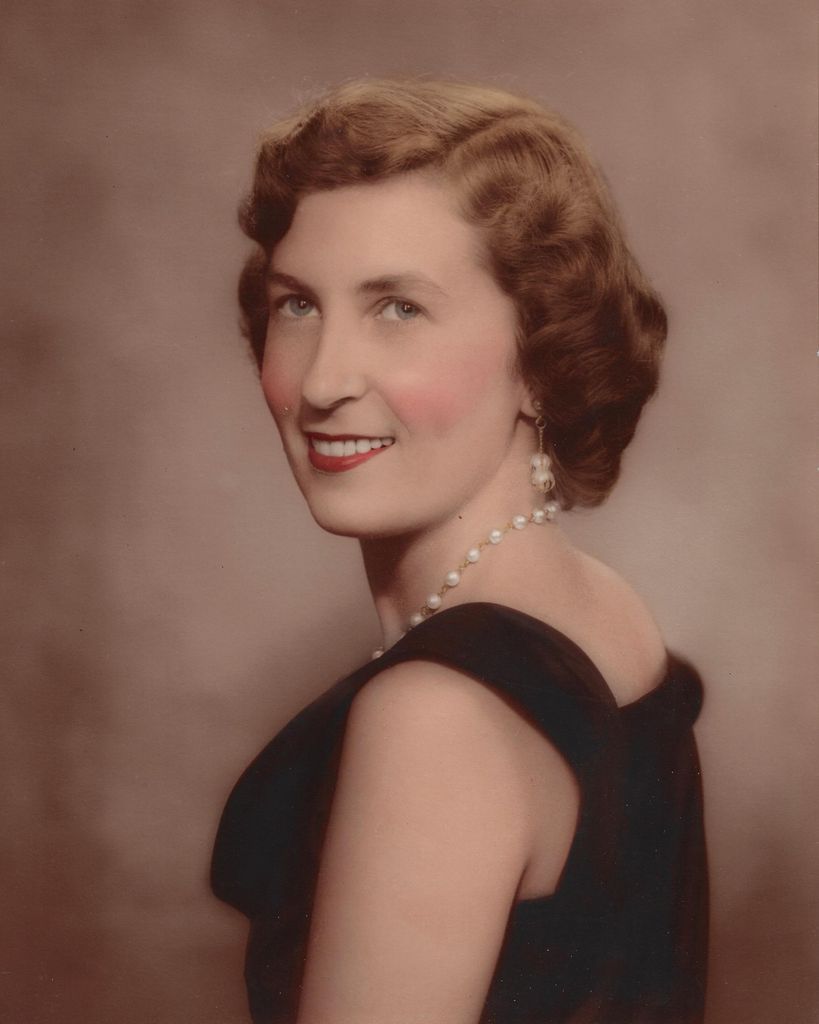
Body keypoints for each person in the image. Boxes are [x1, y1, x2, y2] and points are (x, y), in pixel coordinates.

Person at [211, 78, 709, 1024]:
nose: (322, 382)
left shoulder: (435, 716)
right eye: (297, 305)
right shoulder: (594, 607)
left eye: (398, 308)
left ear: (540, 360)